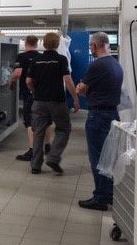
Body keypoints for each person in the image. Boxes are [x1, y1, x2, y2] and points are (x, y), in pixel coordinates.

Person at [76, 32, 124, 211]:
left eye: (91, 46)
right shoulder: (116, 64)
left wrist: (81, 88)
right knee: (109, 157)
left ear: (95, 46)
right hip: (113, 115)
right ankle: (109, 193)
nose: (91, 48)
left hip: (98, 116)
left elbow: (81, 89)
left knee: (97, 158)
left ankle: (100, 198)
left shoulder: (97, 65)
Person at [26, 32, 80, 175]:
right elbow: (68, 80)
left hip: (39, 101)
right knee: (63, 129)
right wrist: (75, 98)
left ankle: (35, 166)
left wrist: (33, 91)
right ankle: (53, 157)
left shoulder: (36, 60)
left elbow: (28, 81)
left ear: (44, 44)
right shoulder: (61, 59)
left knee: (38, 132)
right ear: (57, 44)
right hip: (57, 101)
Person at [9, 35, 53, 161]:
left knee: (29, 122)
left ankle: (32, 151)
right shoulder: (41, 57)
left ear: (25, 43)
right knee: (45, 120)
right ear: (37, 43)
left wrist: (10, 81)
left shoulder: (21, 56)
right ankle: (48, 147)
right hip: (43, 94)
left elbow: (17, 73)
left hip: (29, 93)